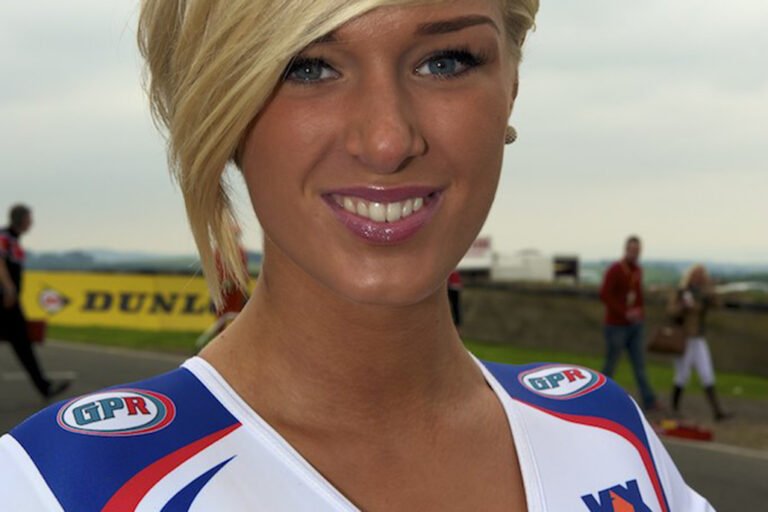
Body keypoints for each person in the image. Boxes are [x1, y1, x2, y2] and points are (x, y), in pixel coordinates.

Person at [0, 2, 713, 510]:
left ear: (512, 85)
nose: (386, 139)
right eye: (308, 66)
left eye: (445, 60)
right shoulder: (63, 484)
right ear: (219, 103)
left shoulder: (609, 437)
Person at [0, 204, 70, 399]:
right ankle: (44, 386)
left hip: (10, 301)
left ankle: (44, 386)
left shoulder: (14, 239)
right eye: (29, 218)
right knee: (22, 344)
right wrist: (9, 288)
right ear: (21, 219)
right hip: (5, 301)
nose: (31, 222)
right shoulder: (5, 237)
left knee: (23, 344)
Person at [599, 235, 659, 411]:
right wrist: (624, 312)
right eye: (632, 250)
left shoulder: (637, 271)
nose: (635, 253)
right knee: (611, 362)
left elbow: (638, 294)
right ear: (626, 250)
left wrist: (640, 312)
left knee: (640, 364)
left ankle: (649, 399)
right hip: (616, 325)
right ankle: (599, 395)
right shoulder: (616, 270)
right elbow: (605, 294)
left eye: (638, 250)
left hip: (635, 325)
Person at [669, 264, 730, 421]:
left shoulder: (704, 294)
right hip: (684, 338)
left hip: (698, 337)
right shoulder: (683, 292)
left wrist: (710, 291)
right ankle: (674, 408)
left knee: (706, 372)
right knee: (682, 375)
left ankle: (717, 411)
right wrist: (683, 306)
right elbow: (672, 311)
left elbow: (718, 304)